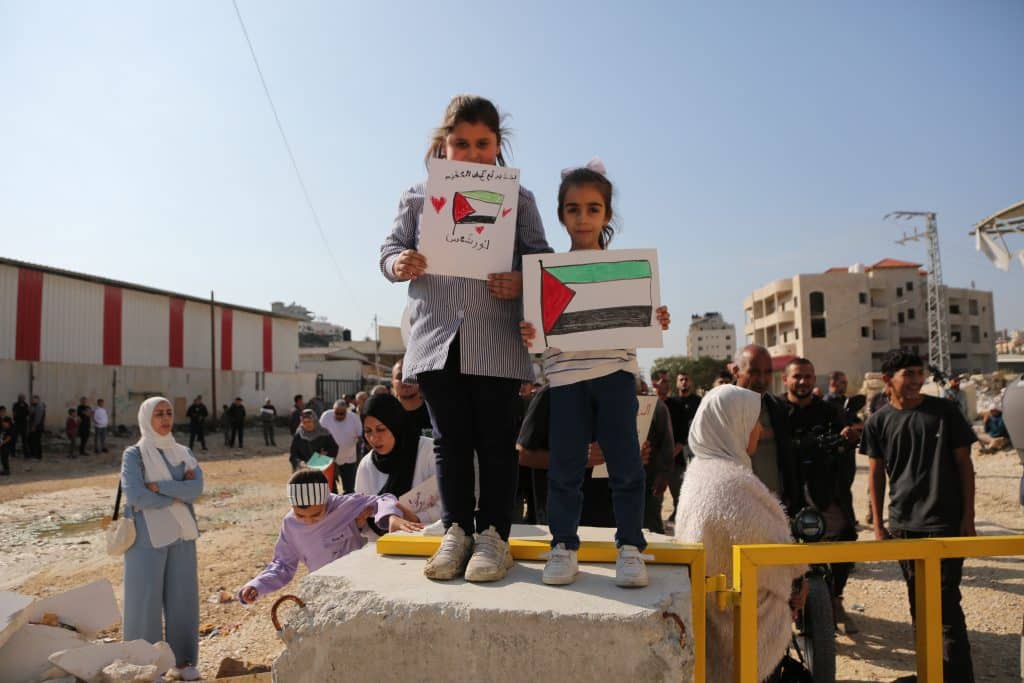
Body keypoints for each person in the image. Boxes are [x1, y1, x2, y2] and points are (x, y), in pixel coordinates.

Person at [380, 94, 551, 583]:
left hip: (495, 338)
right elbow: (389, 249)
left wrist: (521, 280)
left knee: (497, 441)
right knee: (449, 441)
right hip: (436, 337)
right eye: (461, 143)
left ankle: (495, 537)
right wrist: (400, 263)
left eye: (483, 143)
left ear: (497, 145)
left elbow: (542, 260)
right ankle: (456, 530)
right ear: (444, 144)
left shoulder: (521, 201)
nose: (472, 152)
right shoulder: (417, 196)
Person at [520, 159, 670, 587]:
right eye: (572, 208)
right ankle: (563, 546)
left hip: (616, 377)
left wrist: (655, 316)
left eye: (592, 208)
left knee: (625, 466)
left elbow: (644, 324)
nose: (582, 217)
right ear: (561, 214)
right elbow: (540, 337)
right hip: (565, 381)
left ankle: (629, 548)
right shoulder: (545, 272)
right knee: (566, 468)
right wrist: (532, 331)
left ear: (606, 214)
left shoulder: (630, 269)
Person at [676, 385, 807, 683]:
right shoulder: (730, 487)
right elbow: (773, 554)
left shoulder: (701, 472)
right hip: (746, 630)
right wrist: (798, 575)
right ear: (732, 423)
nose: (759, 428)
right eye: (752, 419)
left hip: (716, 621)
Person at [864, 349, 977, 682]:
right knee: (919, 607)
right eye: (908, 374)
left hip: (944, 524)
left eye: (919, 373)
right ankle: (932, 673)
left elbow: (964, 466)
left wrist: (968, 519)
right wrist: (879, 524)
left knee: (945, 607)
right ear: (888, 380)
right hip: (904, 526)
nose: (916, 381)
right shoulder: (878, 421)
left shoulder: (945, 412)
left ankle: (958, 677)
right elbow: (875, 474)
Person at [237, 469, 421, 605]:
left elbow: (383, 499)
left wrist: (391, 517)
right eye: (301, 515)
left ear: (326, 500)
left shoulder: (343, 506)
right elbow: (283, 565)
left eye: (316, 514)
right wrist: (257, 586)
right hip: (324, 591)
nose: (309, 521)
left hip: (361, 585)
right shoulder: (290, 524)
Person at [121, 397, 203, 681]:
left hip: (182, 535)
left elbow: (197, 488)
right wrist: (178, 492)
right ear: (147, 418)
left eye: (169, 413)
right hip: (145, 537)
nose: (166, 419)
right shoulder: (134, 455)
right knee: (144, 602)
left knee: (184, 600)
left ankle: (184, 663)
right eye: (159, 414)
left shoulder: (183, 452)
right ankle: (146, 665)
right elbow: (136, 495)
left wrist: (161, 488)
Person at [781, 358, 859, 634]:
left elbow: (849, 439)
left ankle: (836, 598)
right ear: (786, 380)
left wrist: (849, 438)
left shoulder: (830, 411)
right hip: (784, 493)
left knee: (845, 539)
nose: (803, 382)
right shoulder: (775, 410)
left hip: (825, 490)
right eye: (797, 377)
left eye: (808, 377)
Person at [732, 345, 802, 517]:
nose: (762, 380)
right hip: (737, 508)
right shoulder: (720, 408)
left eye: (768, 372)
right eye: (754, 372)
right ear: (736, 371)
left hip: (774, 509)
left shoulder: (778, 408)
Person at [355, 394, 442, 527]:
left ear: (396, 425)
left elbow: (452, 501)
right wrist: (359, 522)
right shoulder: (367, 465)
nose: (373, 438)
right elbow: (363, 516)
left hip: (429, 540)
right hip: (382, 544)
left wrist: (417, 518)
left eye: (381, 429)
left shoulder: (429, 451)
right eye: (368, 431)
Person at [665, 372, 701, 519]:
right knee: (678, 480)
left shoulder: (698, 401)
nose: (684, 382)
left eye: (687, 379)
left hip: (695, 445)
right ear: (677, 383)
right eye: (681, 380)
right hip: (678, 447)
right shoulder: (672, 402)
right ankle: (678, 509)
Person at [319, 399, 362, 493]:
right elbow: (319, 435)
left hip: (348, 458)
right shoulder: (326, 416)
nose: (338, 415)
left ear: (346, 411)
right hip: (328, 459)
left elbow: (360, 436)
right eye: (336, 413)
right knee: (329, 489)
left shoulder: (354, 418)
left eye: (342, 413)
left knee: (349, 489)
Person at [391, 358, 433, 435]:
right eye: (400, 376)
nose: (405, 380)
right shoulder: (386, 414)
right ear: (392, 381)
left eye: (410, 375)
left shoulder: (435, 413)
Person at [289, 409, 338, 474]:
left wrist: (326, 454)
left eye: (309, 421)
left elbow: (334, 448)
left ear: (315, 421)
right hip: (304, 472)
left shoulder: (324, 434)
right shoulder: (299, 436)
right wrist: (300, 462)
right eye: (304, 422)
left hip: (323, 471)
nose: (307, 424)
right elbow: (293, 454)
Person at [27, 395, 45, 460]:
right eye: (32, 400)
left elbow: (38, 418)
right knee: (33, 440)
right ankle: (36, 455)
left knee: (35, 441)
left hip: (37, 427)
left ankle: (36, 456)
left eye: (34, 400)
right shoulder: (34, 406)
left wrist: (34, 426)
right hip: (35, 426)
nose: (33, 401)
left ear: (38, 400)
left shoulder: (39, 407)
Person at [12, 394, 29, 458]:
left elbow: (27, 413)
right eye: (21, 398)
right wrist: (22, 409)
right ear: (18, 398)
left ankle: (26, 454)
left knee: (25, 440)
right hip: (17, 424)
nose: (22, 399)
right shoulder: (15, 405)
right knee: (14, 439)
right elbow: (16, 415)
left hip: (24, 424)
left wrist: (24, 409)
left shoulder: (26, 405)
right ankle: (13, 453)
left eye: (23, 398)